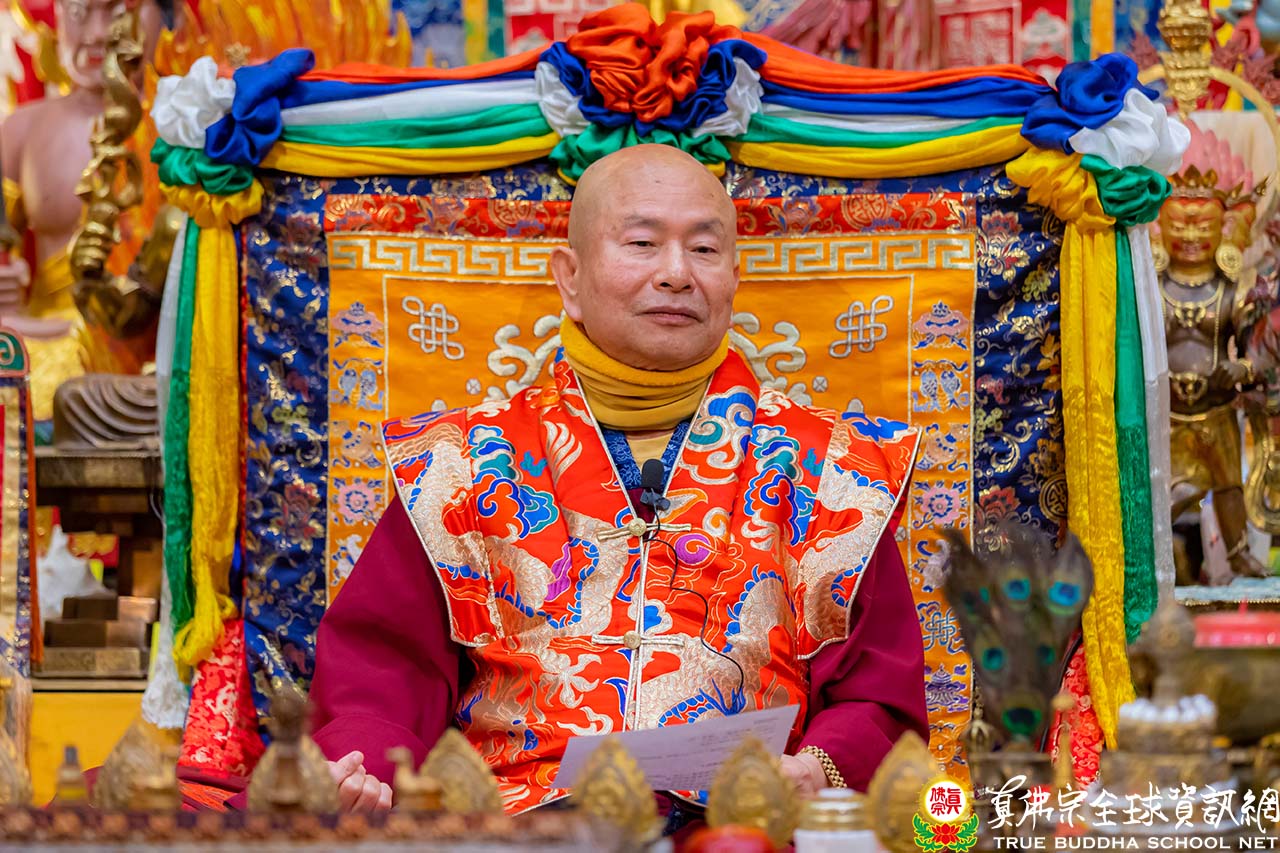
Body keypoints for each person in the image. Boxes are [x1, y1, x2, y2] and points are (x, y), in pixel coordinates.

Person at [307, 144, 928, 820]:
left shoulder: (831, 466)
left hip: (741, 820)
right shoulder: (458, 464)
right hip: (518, 825)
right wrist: (361, 776)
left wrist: (816, 768)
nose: (676, 274)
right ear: (569, 278)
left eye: (703, 249)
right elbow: (382, 674)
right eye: (642, 243)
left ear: (734, 278)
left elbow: (877, 696)